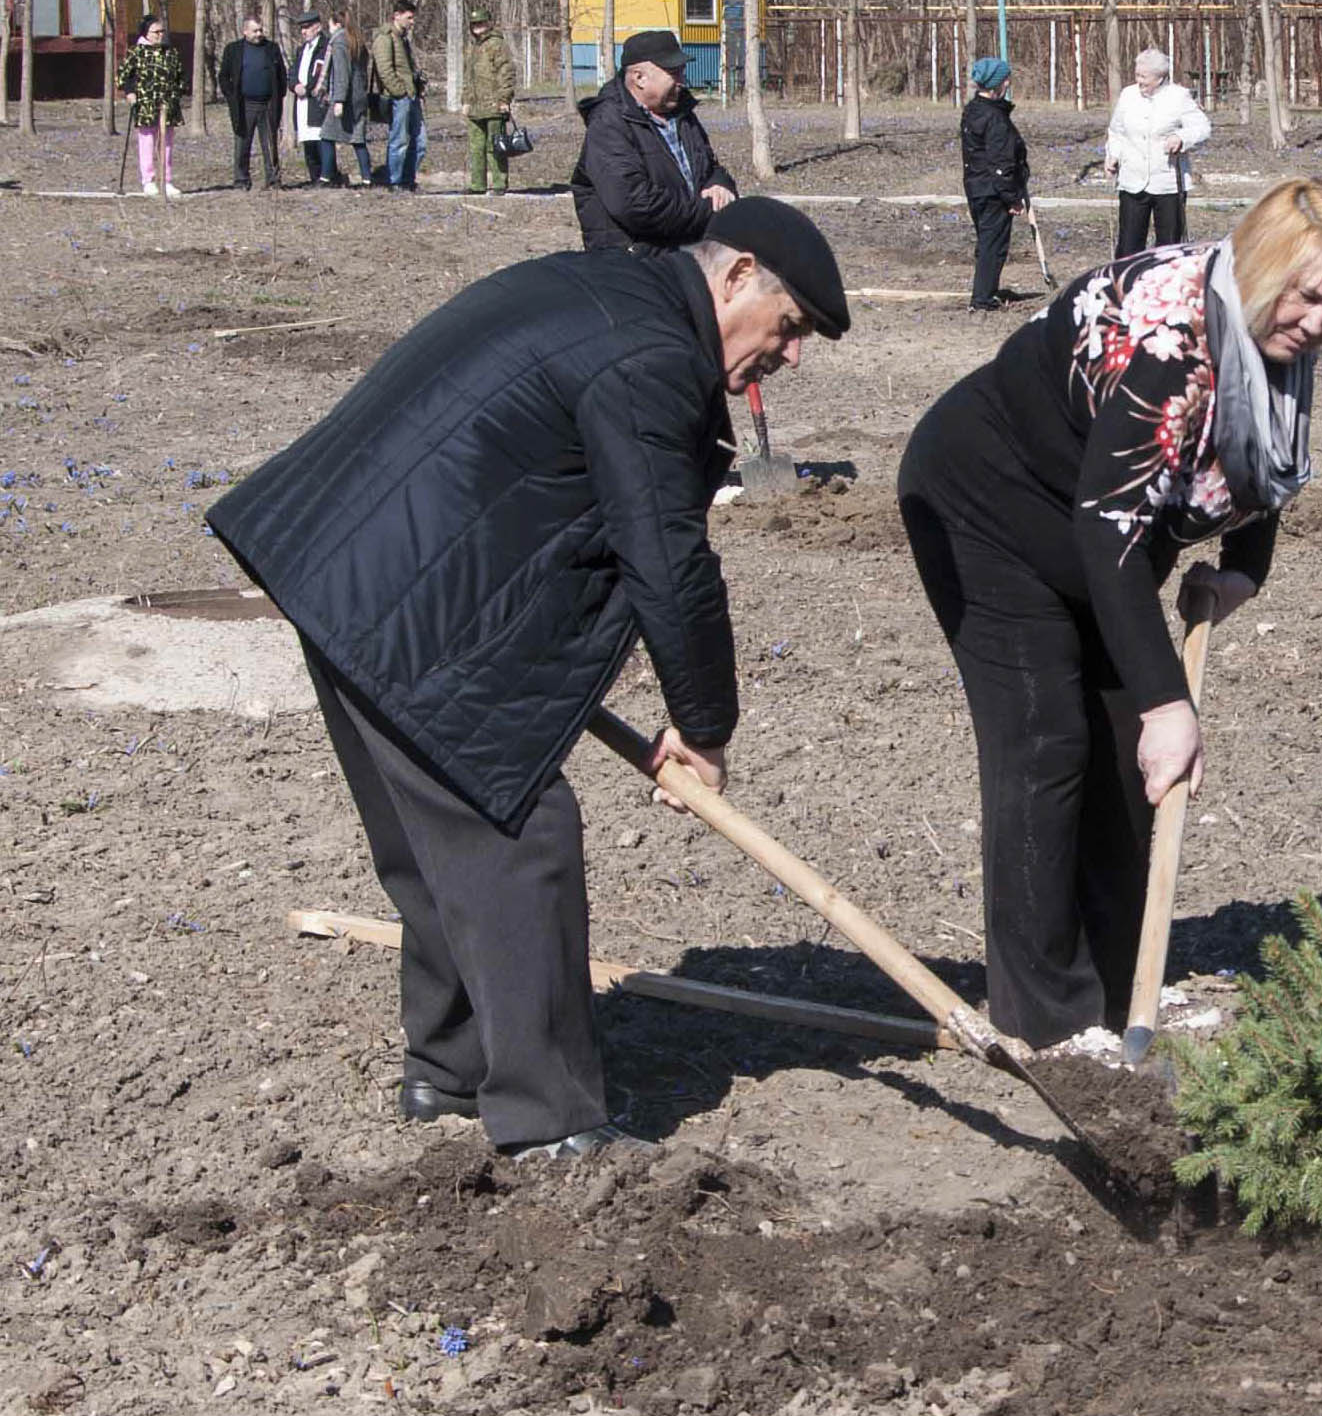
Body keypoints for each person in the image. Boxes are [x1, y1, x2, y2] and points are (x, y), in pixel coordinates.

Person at [206, 198, 850, 1160]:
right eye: (789, 325)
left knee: (438, 847)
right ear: (736, 274)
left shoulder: (612, 294)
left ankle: (451, 1065)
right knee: (520, 833)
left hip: (339, 562)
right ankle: (551, 1121)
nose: (790, 355)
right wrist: (704, 725)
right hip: (407, 599)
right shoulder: (649, 356)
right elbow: (665, 556)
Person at [897, 179, 1322, 1048]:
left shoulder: (1259, 336)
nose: (1315, 323)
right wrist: (1168, 703)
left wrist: (1243, 571)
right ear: (1262, 264)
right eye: (1307, 296)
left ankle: (1121, 987)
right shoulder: (1171, 339)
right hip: (987, 505)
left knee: (1128, 756)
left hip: (1094, 530)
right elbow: (1111, 522)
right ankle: (1047, 1021)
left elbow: (1250, 446)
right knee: (1046, 739)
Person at [570, 30, 737, 251]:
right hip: (633, 262)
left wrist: (720, 186)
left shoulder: (681, 114)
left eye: (682, 71)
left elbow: (709, 166)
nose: (682, 81)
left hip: (684, 252)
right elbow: (635, 204)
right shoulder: (608, 124)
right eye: (674, 73)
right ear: (639, 78)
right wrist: (709, 211)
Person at [1102, 47, 1211, 258]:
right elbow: (1116, 131)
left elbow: (1202, 127)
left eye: (1144, 77)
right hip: (1132, 181)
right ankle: (1130, 278)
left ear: (1160, 77)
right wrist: (1112, 155)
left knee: (1169, 249)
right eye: (1137, 75)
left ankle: (1165, 278)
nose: (1139, 81)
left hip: (1168, 183)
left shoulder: (1178, 96)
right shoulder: (1128, 95)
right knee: (1128, 247)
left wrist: (1181, 138)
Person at [960, 56, 1030, 311]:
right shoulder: (995, 119)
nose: (1008, 83)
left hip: (977, 187)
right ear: (995, 85)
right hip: (992, 192)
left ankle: (987, 289)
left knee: (987, 242)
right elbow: (1001, 164)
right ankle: (982, 299)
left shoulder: (973, 110)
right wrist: (1012, 198)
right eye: (1005, 80)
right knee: (993, 245)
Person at [115, 14, 186, 197]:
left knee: (166, 144)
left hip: (167, 104)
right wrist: (130, 93)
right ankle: (148, 180)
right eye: (156, 32)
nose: (160, 35)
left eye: (162, 31)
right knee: (147, 142)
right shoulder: (136, 52)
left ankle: (166, 180)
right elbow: (124, 76)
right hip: (146, 103)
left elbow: (180, 76)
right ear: (146, 33)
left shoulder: (170, 52)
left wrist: (177, 92)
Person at [218, 15, 287, 189]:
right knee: (242, 144)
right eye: (255, 31)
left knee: (270, 144)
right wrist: (231, 96)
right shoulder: (233, 50)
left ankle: (273, 180)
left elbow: (281, 75)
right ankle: (241, 180)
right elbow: (224, 76)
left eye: (261, 30)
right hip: (244, 105)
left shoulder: (271, 48)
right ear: (245, 31)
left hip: (268, 104)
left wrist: (279, 95)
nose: (259, 34)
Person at [462, 7, 518, 196]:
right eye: (474, 24)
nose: (477, 27)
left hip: (494, 104)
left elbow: (506, 72)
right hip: (475, 106)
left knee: (496, 145)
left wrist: (504, 99)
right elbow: (468, 77)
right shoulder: (473, 47)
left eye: (481, 23)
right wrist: (466, 100)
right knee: (476, 147)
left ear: (488, 23)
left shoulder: (497, 44)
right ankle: (477, 185)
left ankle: (499, 183)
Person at [374, 0, 428, 192]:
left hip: (411, 96)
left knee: (420, 141)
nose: (412, 22)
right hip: (399, 98)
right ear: (397, 15)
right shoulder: (385, 38)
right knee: (399, 140)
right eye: (409, 17)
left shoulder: (403, 39)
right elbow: (384, 70)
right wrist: (400, 92)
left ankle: (408, 179)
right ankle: (395, 181)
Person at [320, 12, 376, 188]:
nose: (329, 29)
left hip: (346, 97)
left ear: (337, 24)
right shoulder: (357, 41)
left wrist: (339, 100)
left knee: (326, 135)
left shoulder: (339, 42)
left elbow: (342, 73)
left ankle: (325, 178)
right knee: (358, 139)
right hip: (359, 96)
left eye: (330, 25)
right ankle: (367, 179)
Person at [291, 11, 335, 186]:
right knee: (307, 141)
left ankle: (327, 176)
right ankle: (314, 176)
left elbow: (321, 73)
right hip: (301, 101)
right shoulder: (302, 50)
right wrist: (294, 85)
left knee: (320, 139)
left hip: (317, 101)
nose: (304, 31)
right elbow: (293, 72)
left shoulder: (325, 47)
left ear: (317, 27)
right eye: (302, 28)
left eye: (307, 27)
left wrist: (307, 88)